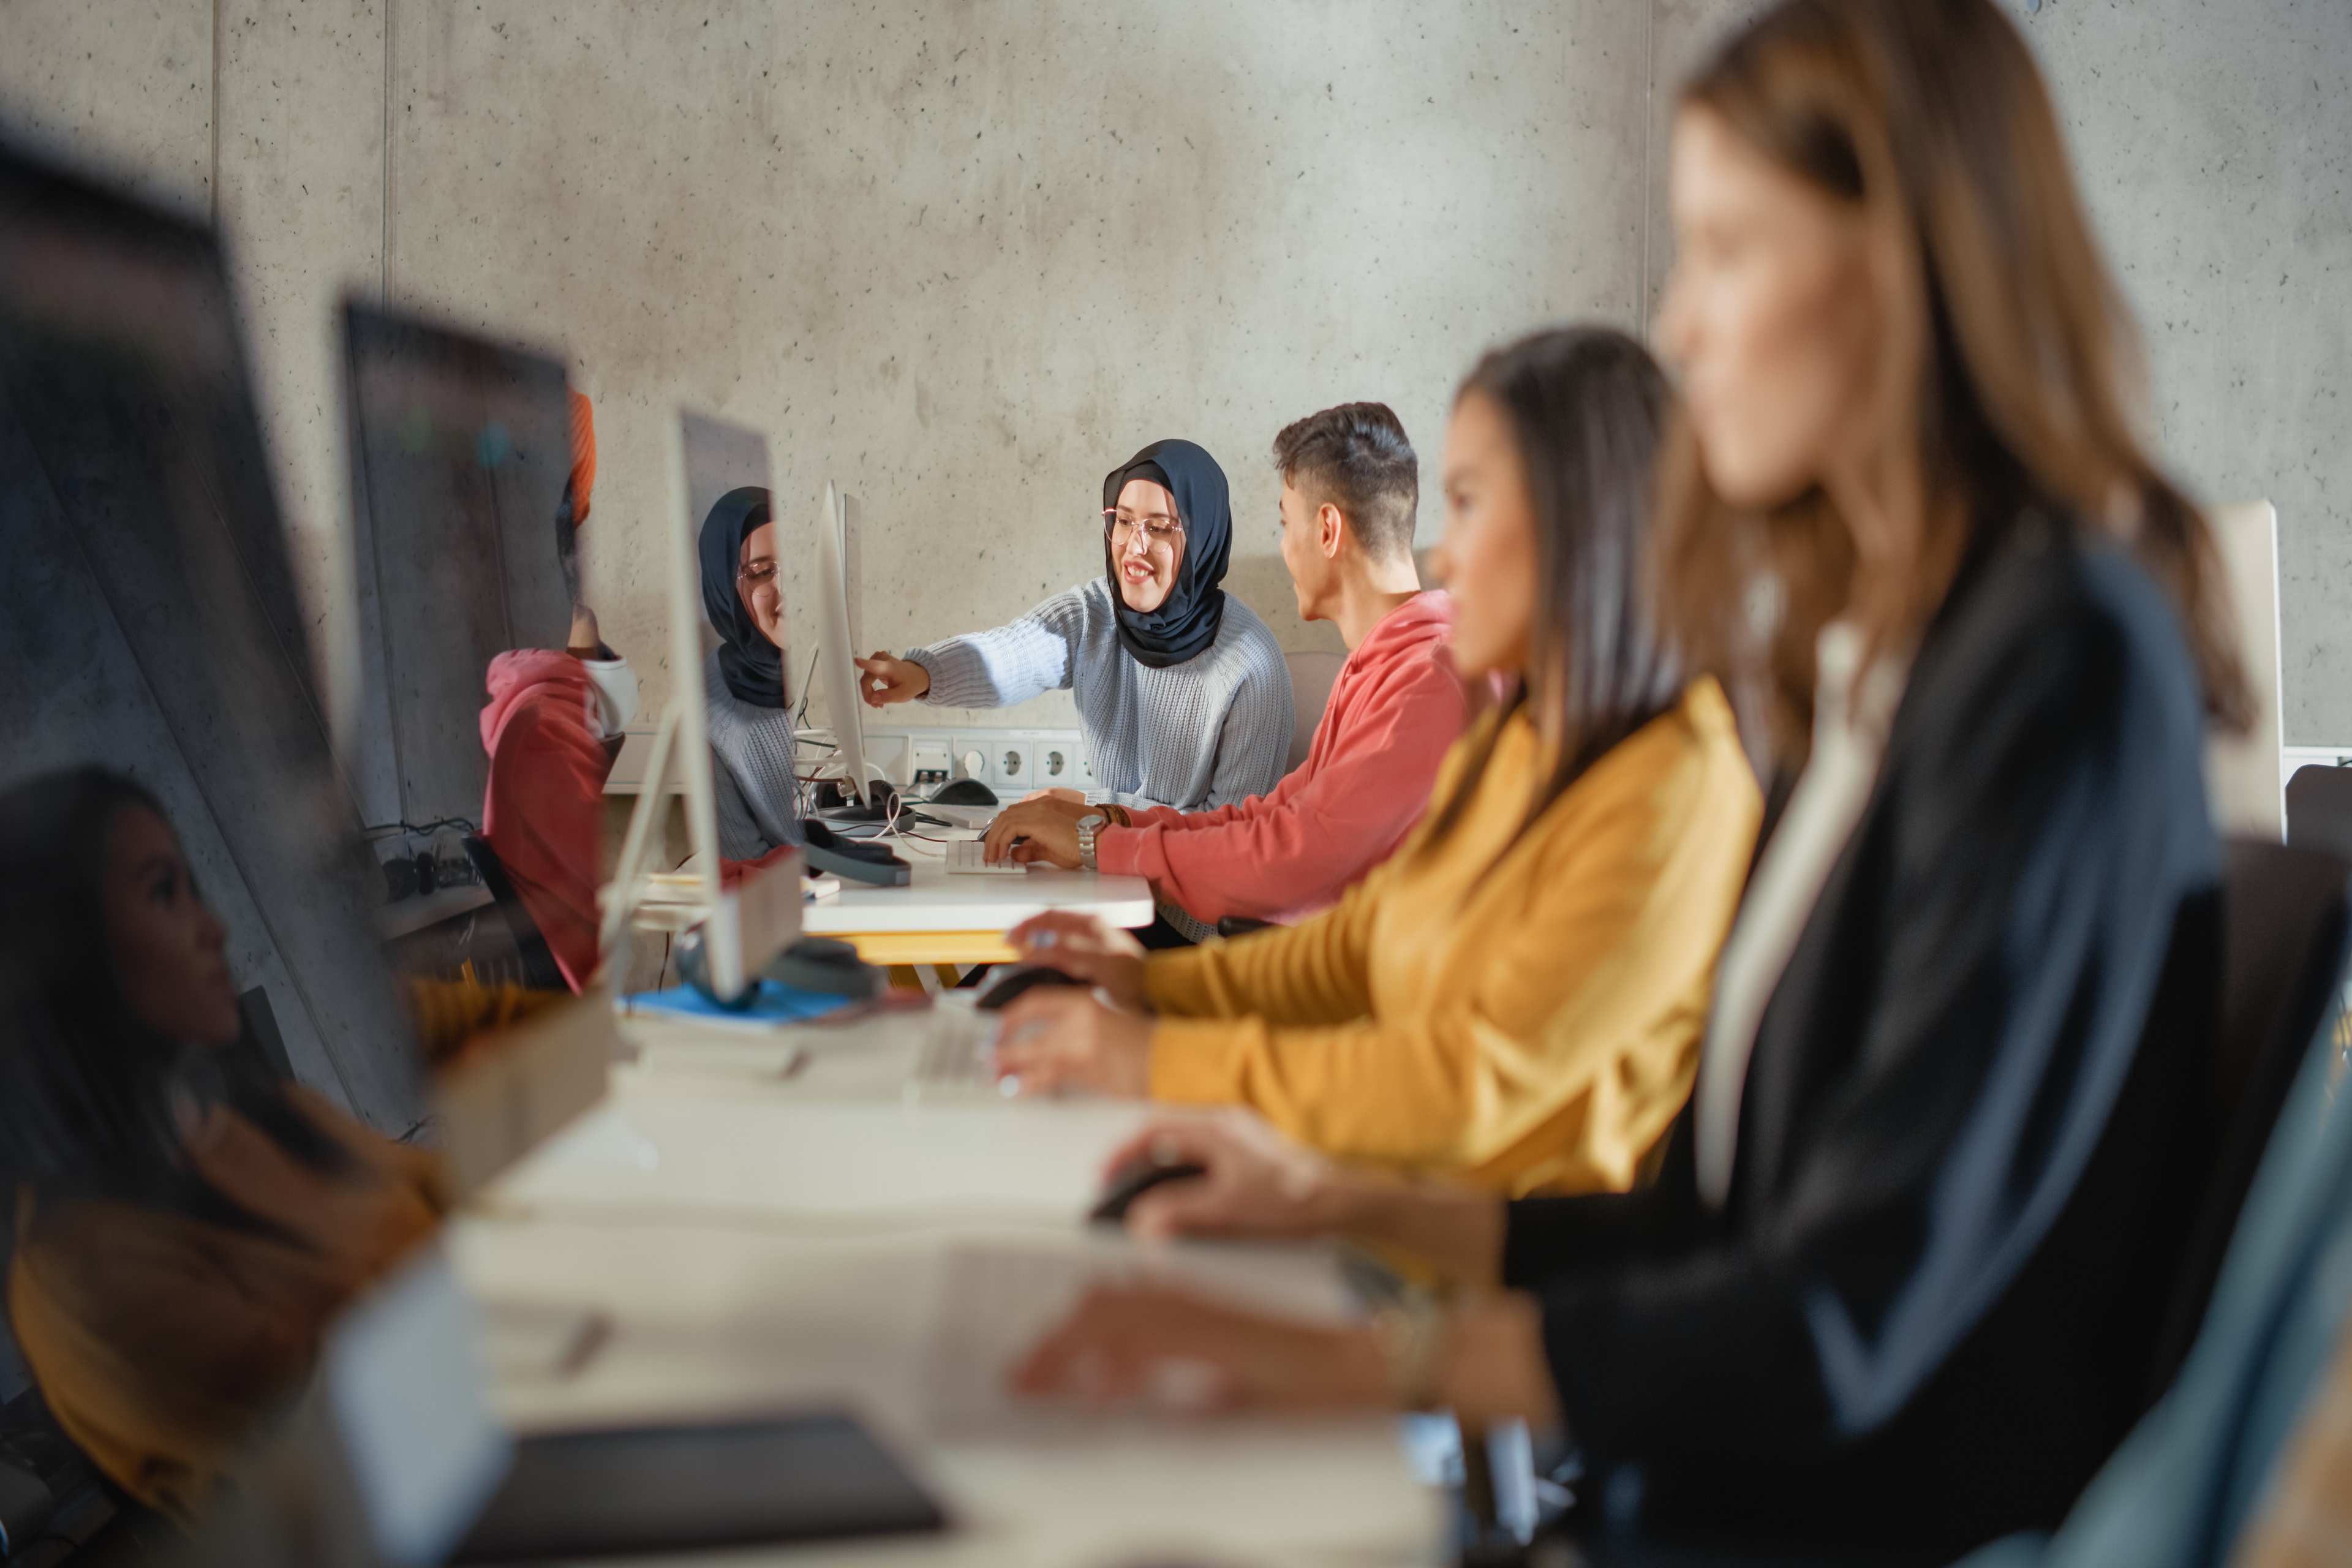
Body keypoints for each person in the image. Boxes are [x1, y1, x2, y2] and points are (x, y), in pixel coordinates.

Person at [1010, 0, 2252, 1558]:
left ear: (1904, 265)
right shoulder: (1873, 663)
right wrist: (1340, 1207)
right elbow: (1718, 1213)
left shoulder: (2053, 660)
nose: (1680, 330)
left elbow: (1835, 1314)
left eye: (1728, 253)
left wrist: (1368, 1349)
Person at [992, 330, 1763, 1197]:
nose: (1448, 558)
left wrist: (1165, 1053)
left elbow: (1466, 1081)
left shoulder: (1666, 782)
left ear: (1577, 522)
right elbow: (1364, 943)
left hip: (1490, 1245)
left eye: (1470, 506)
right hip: (1404, 1187)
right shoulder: (1532, 735)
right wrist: (1158, 989)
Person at [0, 769, 443, 1521]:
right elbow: (364, 1429)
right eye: (164, 893)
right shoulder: (80, 1277)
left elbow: (449, 1194)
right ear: (67, 954)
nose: (216, 928)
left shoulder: (242, 1115)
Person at [978, 404, 1466, 937]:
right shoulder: (1383, 671)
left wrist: (1099, 843)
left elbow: (1289, 860)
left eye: (1285, 522)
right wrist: (1103, 823)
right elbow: (1266, 820)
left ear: (1326, 530)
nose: (1283, 547)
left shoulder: (1427, 686)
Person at [852, 440, 1293, 816]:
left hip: (1187, 912)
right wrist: (920, 674)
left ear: (1204, 538)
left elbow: (1230, 837)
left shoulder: (1249, 665)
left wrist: (1094, 813)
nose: (1134, 547)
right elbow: (1013, 652)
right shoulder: (1095, 614)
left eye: (1158, 528)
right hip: (1104, 872)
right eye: (1122, 521)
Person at [698, 486, 809, 862]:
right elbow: (744, 868)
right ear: (724, 587)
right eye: (762, 572)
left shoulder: (822, 661)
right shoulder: (710, 715)